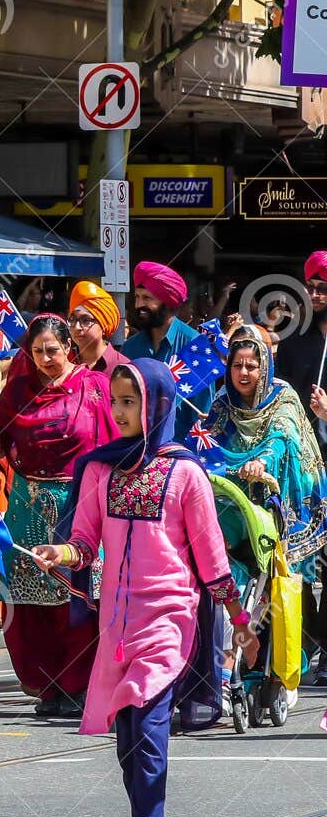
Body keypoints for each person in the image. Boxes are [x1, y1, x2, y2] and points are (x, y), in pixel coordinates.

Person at [33, 359, 259, 817]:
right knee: (128, 739)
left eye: (130, 401)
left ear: (157, 404)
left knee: (150, 724)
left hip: (170, 618)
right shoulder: (99, 470)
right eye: (115, 401)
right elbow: (84, 543)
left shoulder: (186, 474)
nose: (119, 411)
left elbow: (211, 563)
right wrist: (58, 551)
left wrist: (242, 627)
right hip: (116, 623)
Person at [0, 315, 117, 718]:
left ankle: (79, 684)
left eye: (52, 350)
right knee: (29, 604)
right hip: (26, 504)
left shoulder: (95, 388)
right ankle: (48, 684)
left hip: (78, 503)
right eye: (37, 352)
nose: (45, 359)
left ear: (68, 347)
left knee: (76, 599)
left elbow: (115, 441)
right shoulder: (19, 389)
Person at [206, 324, 327, 566]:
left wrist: (261, 461)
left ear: (265, 369)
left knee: (289, 587)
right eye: (236, 366)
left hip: (286, 495)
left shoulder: (283, 395)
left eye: (251, 367)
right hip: (237, 495)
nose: (243, 373)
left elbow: (282, 435)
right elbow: (209, 441)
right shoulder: (223, 400)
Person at [271, 250, 327, 680]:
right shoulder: (296, 340)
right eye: (311, 286)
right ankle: (305, 644)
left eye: (322, 287)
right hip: (301, 471)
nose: (314, 293)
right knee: (302, 559)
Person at [121, 261, 209, 436]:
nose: (139, 305)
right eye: (137, 297)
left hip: (180, 453)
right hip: (137, 449)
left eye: (147, 298)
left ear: (167, 302)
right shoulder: (130, 347)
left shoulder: (195, 346)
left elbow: (201, 414)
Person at [69, 281, 128, 377]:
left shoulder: (123, 368)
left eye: (86, 320)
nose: (77, 327)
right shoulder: (63, 363)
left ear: (104, 324)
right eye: (72, 320)